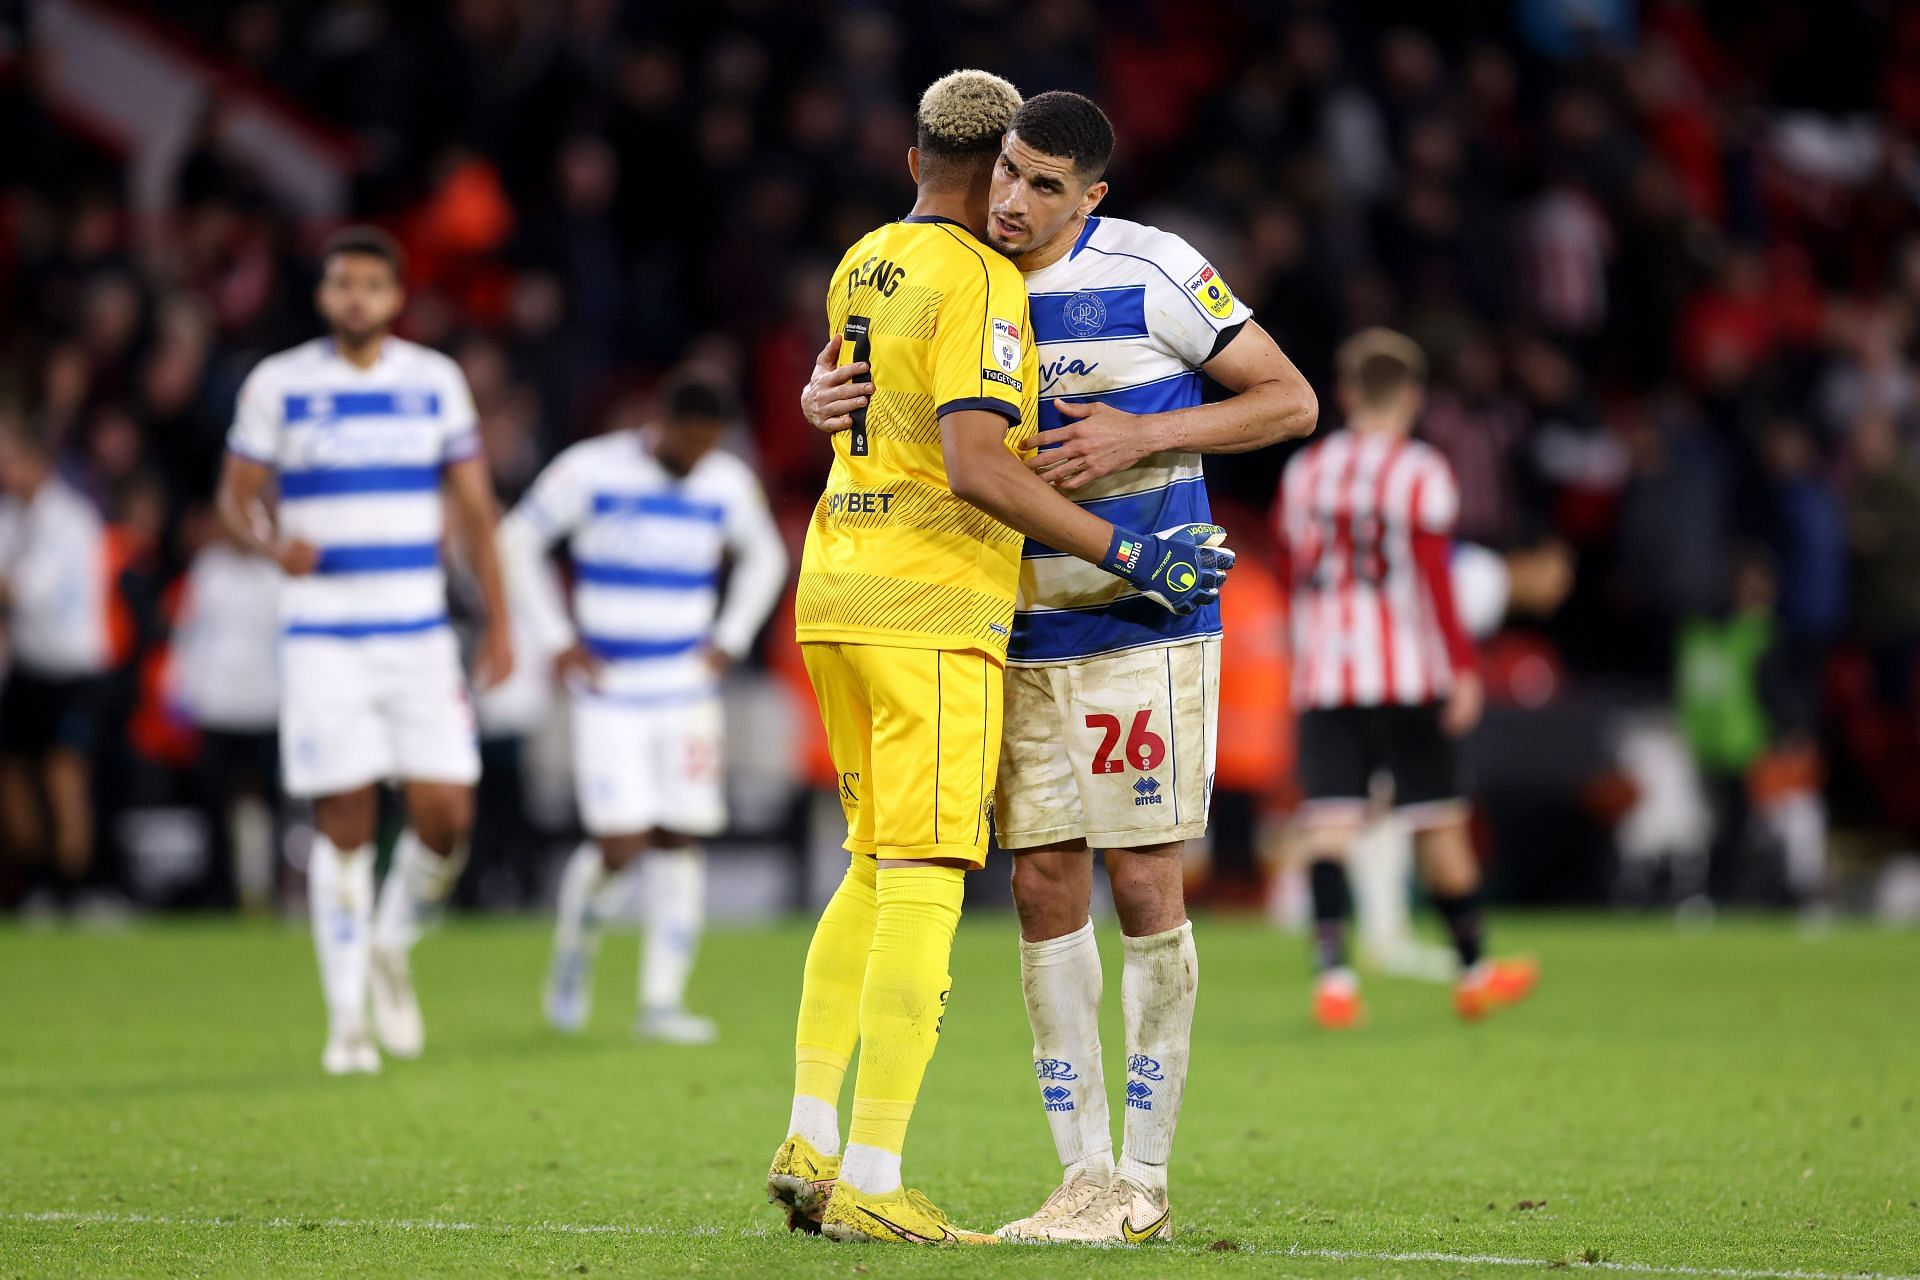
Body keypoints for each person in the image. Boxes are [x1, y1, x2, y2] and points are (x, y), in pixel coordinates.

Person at [804, 90, 1315, 1244]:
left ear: (1093, 197)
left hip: (1140, 624)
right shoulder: (947, 267)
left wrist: (1144, 433)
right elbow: (866, 399)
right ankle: (1080, 1177)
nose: (1015, 201)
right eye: (1008, 175)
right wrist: (815, 396)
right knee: (1039, 886)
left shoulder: (1158, 270)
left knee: (1143, 880)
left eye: (1044, 186)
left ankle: (1144, 1176)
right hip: (1008, 626)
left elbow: (1291, 399)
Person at [215, 226, 513, 1075]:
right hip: (323, 638)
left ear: (394, 298)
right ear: (323, 296)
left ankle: (391, 942)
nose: (356, 298)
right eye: (342, 284)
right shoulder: (280, 384)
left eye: (371, 286)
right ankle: (347, 1020)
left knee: (447, 816)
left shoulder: (434, 382)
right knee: (342, 822)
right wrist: (271, 544)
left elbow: (476, 510)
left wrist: (501, 621)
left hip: (418, 633)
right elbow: (235, 500)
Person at [496, 376, 787, 1043]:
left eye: (709, 442)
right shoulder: (590, 470)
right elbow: (516, 540)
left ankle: (661, 1002)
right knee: (620, 845)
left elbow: (766, 558)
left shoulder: (725, 483)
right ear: (662, 422)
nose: (697, 453)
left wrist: (729, 641)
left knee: (679, 835)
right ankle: (574, 955)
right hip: (609, 691)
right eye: (690, 438)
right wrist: (557, 641)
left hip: (685, 690)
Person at [1275, 328, 1536, 1029]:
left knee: (1329, 824)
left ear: (1348, 393)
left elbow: (1290, 569)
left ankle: (1334, 980)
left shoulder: (1306, 472)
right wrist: (1464, 667)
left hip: (1327, 672)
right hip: (1409, 671)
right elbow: (1434, 576)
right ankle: (1474, 972)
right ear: (1414, 398)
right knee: (1438, 822)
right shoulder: (1421, 470)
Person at [0, 421, 117, 910]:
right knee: (13, 781)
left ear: (36, 462)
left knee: (63, 777)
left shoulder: (71, 520)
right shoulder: (8, 517)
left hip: (75, 671)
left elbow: (25, 591)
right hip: (27, 669)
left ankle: (77, 889)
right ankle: (37, 881)